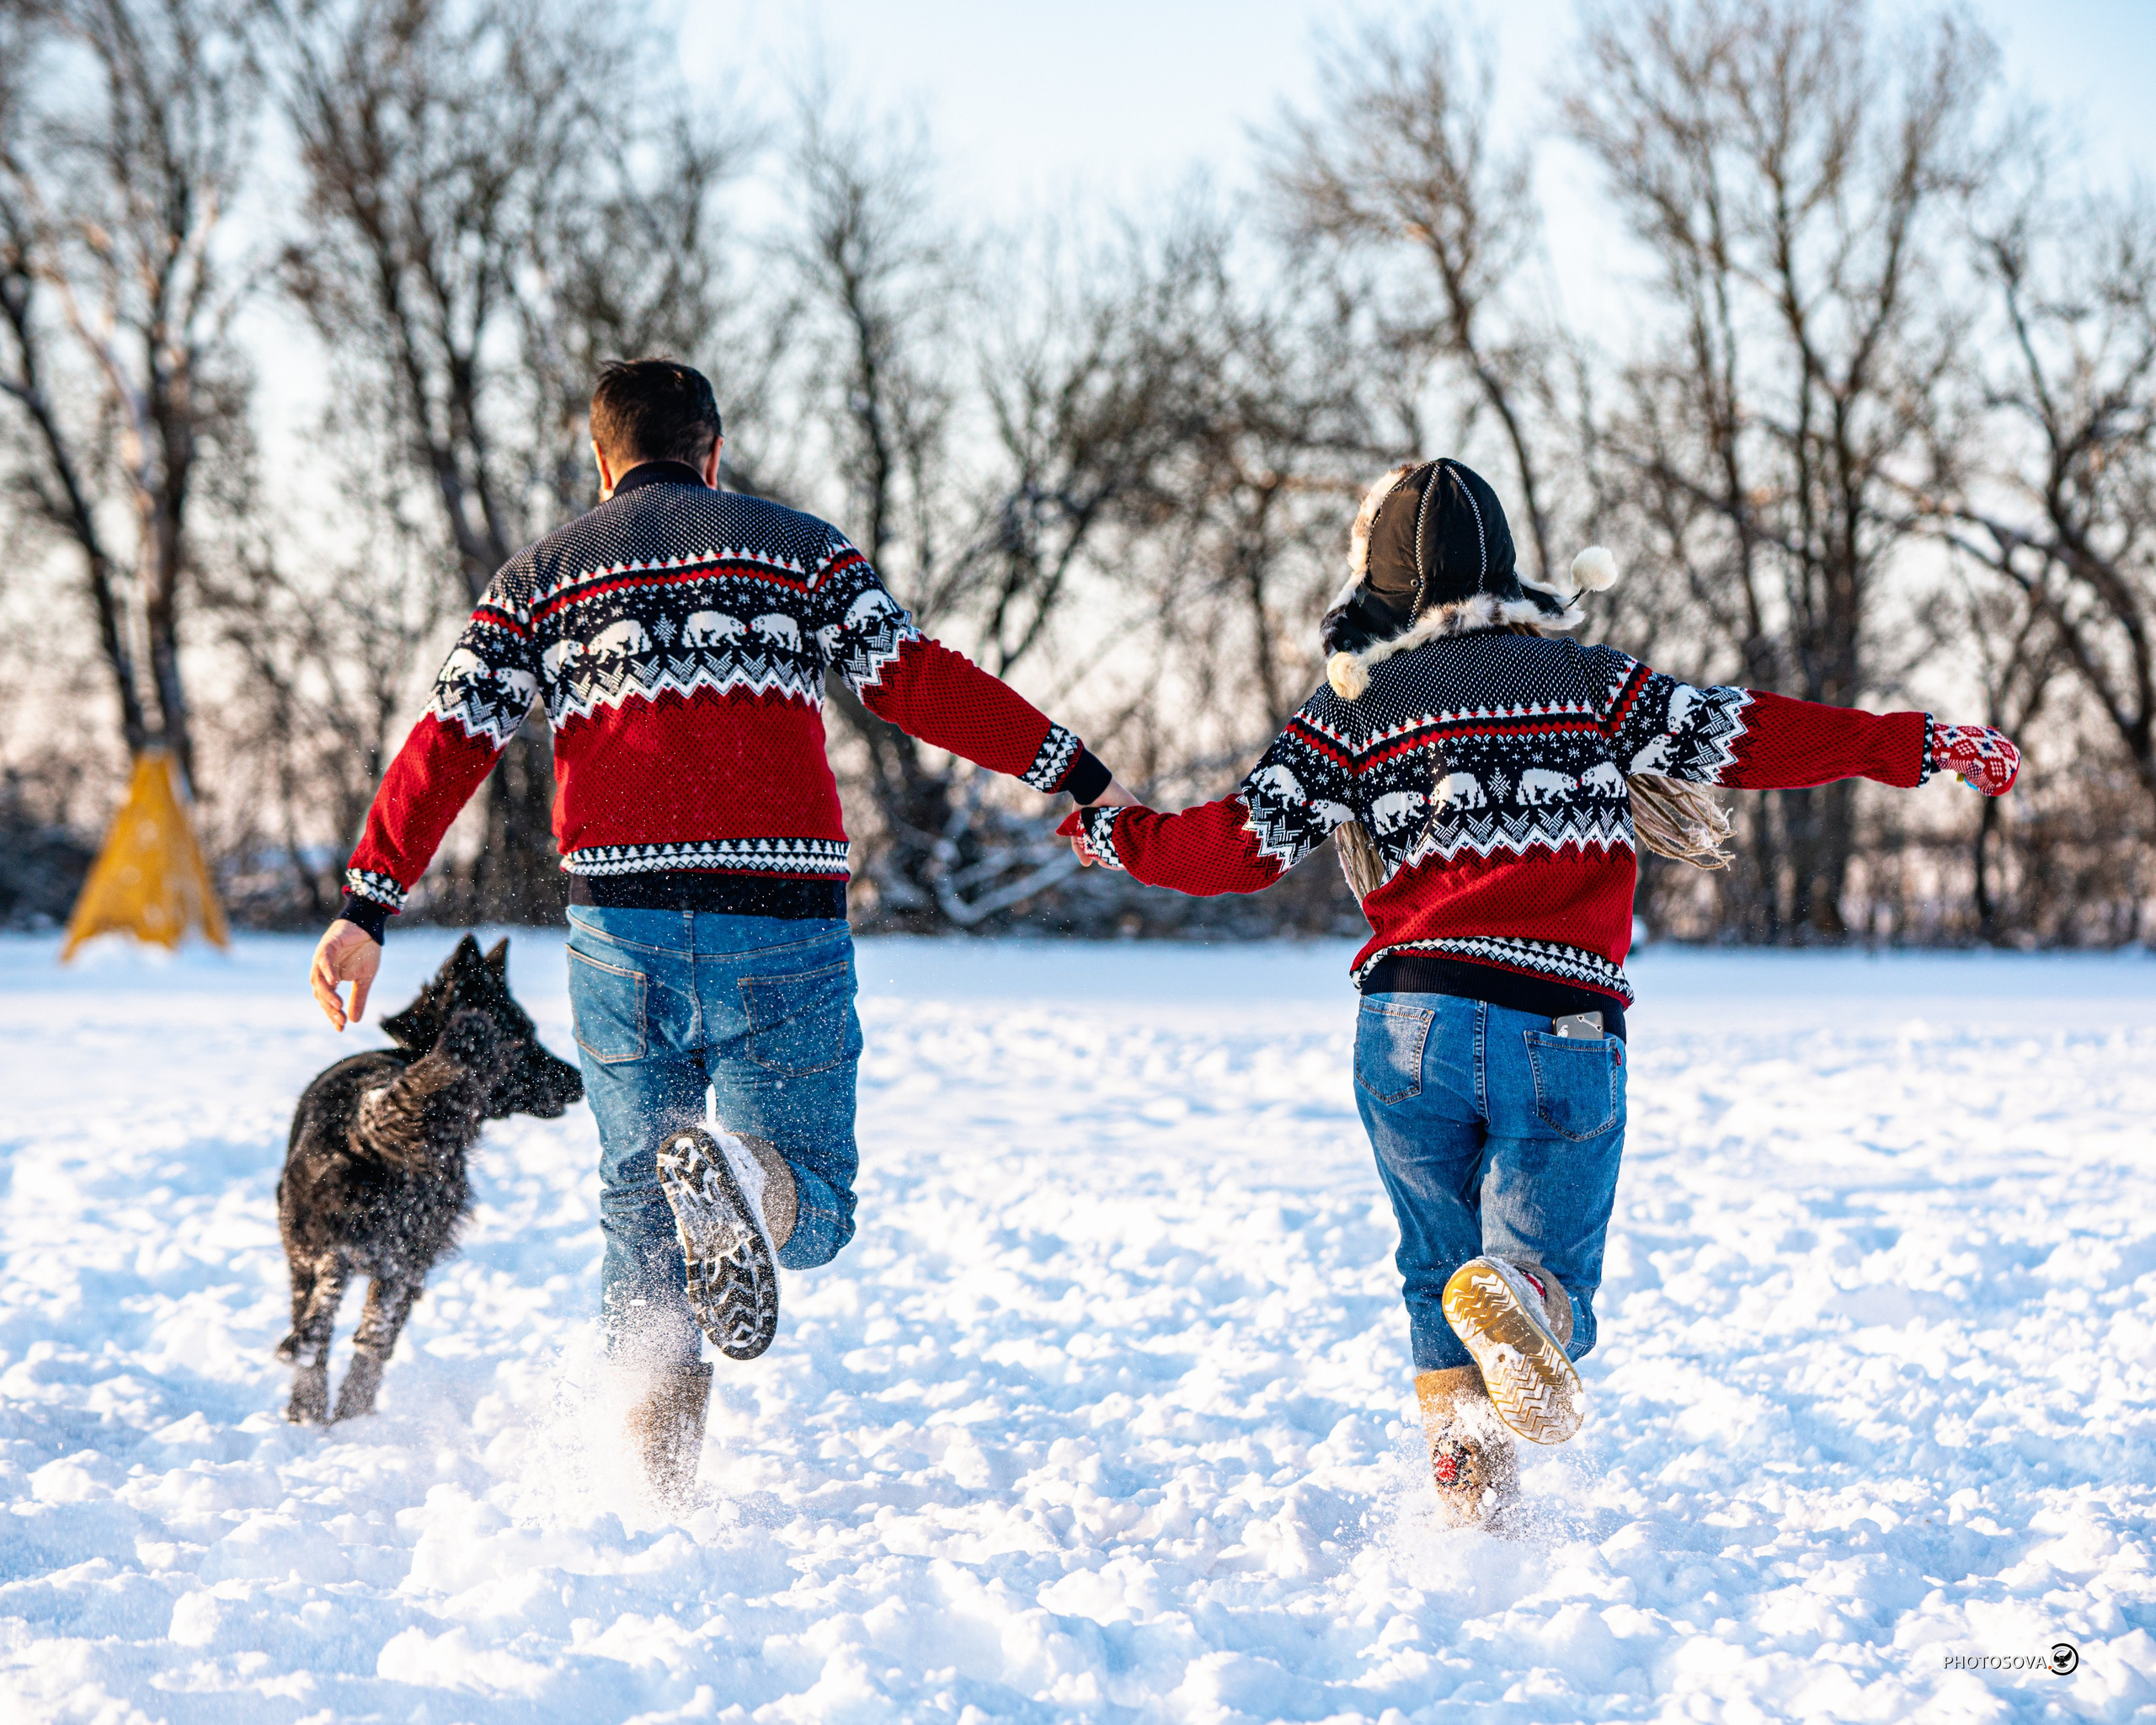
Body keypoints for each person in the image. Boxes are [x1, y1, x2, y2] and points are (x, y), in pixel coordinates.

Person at [1060, 457, 2020, 1530]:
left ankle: (1471, 1499)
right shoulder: (1593, 685)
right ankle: (1527, 1299)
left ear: (1381, 589)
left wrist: (1120, 833)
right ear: (1508, 569)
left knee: (1434, 1264)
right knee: (1534, 1274)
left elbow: (1233, 850)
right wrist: (1912, 742)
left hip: (1407, 1021)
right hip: (1559, 1025)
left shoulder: (1355, 706)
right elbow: (1747, 732)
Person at [309, 359, 1131, 1498]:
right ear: (714, 449)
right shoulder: (798, 548)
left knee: (640, 1209)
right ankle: (750, 1175)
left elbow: (450, 738)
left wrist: (368, 904)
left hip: (622, 930)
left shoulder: (542, 576)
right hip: (780, 919)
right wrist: (1071, 768)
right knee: (813, 1204)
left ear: (599, 458)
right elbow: (918, 682)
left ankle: (658, 1486)